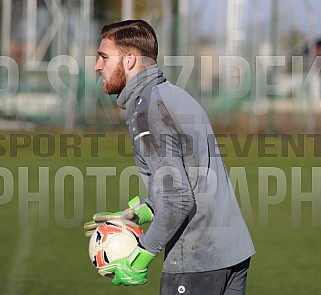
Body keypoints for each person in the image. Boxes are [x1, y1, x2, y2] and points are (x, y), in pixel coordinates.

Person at [84, 19, 255, 295]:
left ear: (129, 59)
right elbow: (191, 179)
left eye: (104, 57)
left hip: (197, 261)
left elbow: (178, 200)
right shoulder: (175, 95)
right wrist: (138, 213)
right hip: (232, 254)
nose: (97, 66)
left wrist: (141, 255)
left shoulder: (148, 110)